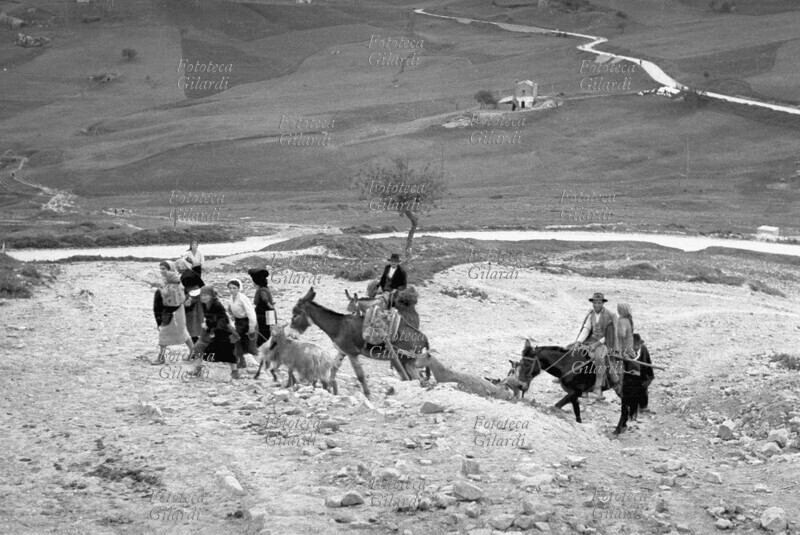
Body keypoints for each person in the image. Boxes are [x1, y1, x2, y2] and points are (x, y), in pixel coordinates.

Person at [566, 292, 618, 400]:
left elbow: (610, 335)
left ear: (602, 303)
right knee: (570, 348)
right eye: (595, 302)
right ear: (592, 303)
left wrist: (597, 344)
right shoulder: (591, 314)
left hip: (606, 342)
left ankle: (598, 389)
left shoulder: (610, 315)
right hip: (591, 339)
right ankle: (569, 377)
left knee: (599, 356)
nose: (596, 305)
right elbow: (587, 329)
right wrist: (578, 342)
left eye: (599, 303)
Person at [190, 285, 239, 379]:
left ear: (211, 295)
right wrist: (207, 325)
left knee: (227, 352)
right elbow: (210, 318)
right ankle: (197, 370)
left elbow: (223, 319)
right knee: (199, 347)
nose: (203, 297)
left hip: (222, 331)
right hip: (210, 330)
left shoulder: (216, 304)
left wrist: (214, 329)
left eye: (206, 295)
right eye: (202, 295)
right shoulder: (204, 304)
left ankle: (235, 372)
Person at [152, 261, 194, 365]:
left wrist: (159, 320)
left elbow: (161, 305)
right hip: (178, 311)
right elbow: (183, 298)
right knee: (182, 332)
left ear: (170, 270)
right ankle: (193, 352)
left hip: (172, 312)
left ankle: (161, 357)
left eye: (164, 269)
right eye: (160, 268)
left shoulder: (169, 284)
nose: (162, 271)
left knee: (164, 333)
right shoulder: (174, 282)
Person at [225, 278, 257, 372]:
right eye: (230, 288)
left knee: (243, 341)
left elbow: (251, 313)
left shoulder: (243, 298)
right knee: (237, 341)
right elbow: (230, 309)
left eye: (234, 288)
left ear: (239, 288)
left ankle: (248, 362)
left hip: (246, 322)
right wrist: (232, 316)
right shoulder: (231, 298)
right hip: (238, 322)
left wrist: (251, 327)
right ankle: (241, 360)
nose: (231, 290)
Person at [248, 268, 275, 349]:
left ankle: (262, 346)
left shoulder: (261, 291)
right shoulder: (266, 289)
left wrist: (268, 304)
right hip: (269, 314)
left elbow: (264, 299)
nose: (252, 283)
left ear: (256, 282)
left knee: (262, 331)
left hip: (263, 315)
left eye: (253, 281)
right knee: (269, 330)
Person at [181, 271, 205, 345]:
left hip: (194, 314)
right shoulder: (201, 288)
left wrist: (185, 303)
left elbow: (192, 296)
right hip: (193, 314)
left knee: (193, 333)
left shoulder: (195, 289)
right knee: (194, 334)